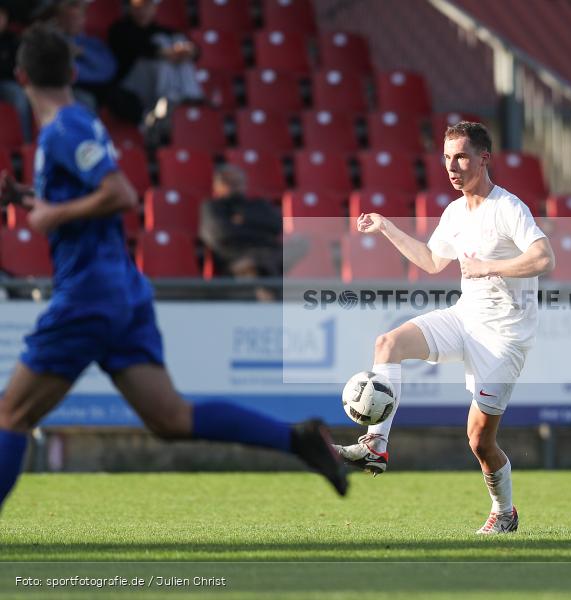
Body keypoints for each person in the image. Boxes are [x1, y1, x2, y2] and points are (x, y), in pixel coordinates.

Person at [0, 25, 348, 515]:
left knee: (11, 413)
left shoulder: (64, 129)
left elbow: (120, 194)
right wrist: (30, 200)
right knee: (170, 417)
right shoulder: (78, 121)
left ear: (20, 76)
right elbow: (86, 198)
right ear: (74, 73)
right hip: (121, 291)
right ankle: (298, 440)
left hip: (89, 294)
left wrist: (49, 215)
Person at [334, 122, 555, 534]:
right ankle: (375, 447)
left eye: (461, 157)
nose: (452, 167)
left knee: (479, 441)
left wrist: (490, 266)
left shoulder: (508, 208)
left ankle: (504, 512)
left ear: (484, 159)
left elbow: (544, 259)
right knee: (388, 343)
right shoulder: (455, 212)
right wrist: (387, 227)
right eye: (447, 158)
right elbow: (432, 261)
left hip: (504, 338)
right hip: (463, 318)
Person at [41, 0, 142, 123]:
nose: (74, 22)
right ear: (59, 20)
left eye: (78, 18)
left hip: (100, 89)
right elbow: (69, 74)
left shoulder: (92, 43)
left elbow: (109, 69)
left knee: (130, 101)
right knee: (86, 100)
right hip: (70, 89)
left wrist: (81, 52)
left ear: (84, 19)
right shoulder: (52, 43)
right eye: (70, 18)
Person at [199, 165, 283, 302]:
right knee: (257, 264)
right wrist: (260, 231)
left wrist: (244, 222)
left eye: (238, 182)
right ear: (217, 185)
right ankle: (270, 304)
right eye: (229, 183)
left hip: (270, 252)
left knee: (302, 243)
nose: (235, 187)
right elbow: (222, 233)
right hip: (235, 258)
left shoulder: (258, 204)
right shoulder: (212, 207)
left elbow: (276, 225)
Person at [108, 0, 203, 117]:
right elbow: (138, 47)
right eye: (139, 6)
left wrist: (188, 51)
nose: (143, 10)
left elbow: (195, 51)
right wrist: (166, 53)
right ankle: (167, 101)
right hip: (132, 88)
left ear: (154, 8)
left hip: (161, 84)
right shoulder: (120, 29)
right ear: (131, 7)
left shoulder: (161, 30)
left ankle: (193, 97)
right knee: (161, 60)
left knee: (179, 44)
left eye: (147, 6)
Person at [0, 5, 32, 142]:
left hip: (7, 83)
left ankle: (26, 144)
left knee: (20, 94)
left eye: (1, 16)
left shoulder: (12, 39)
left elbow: (18, 66)